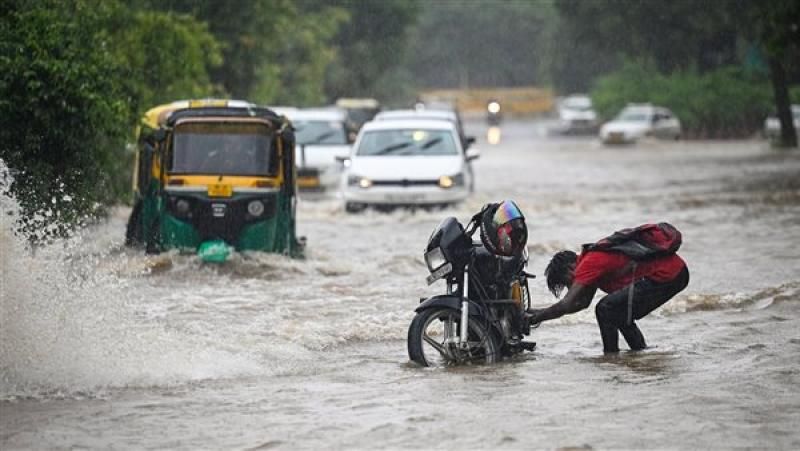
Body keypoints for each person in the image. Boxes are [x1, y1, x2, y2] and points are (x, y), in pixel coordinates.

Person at [527, 225, 689, 353]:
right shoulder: (590, 264)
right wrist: (533, 312)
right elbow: (581, 304)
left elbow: (566, 304)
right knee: (616, 310)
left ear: (570, 268)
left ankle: (611, 355)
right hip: (676, 273)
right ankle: (639, 351)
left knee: (605, 308)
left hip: (668, 275)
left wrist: (534, 319)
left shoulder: (588, 264)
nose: (571, 286)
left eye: (567, 282)